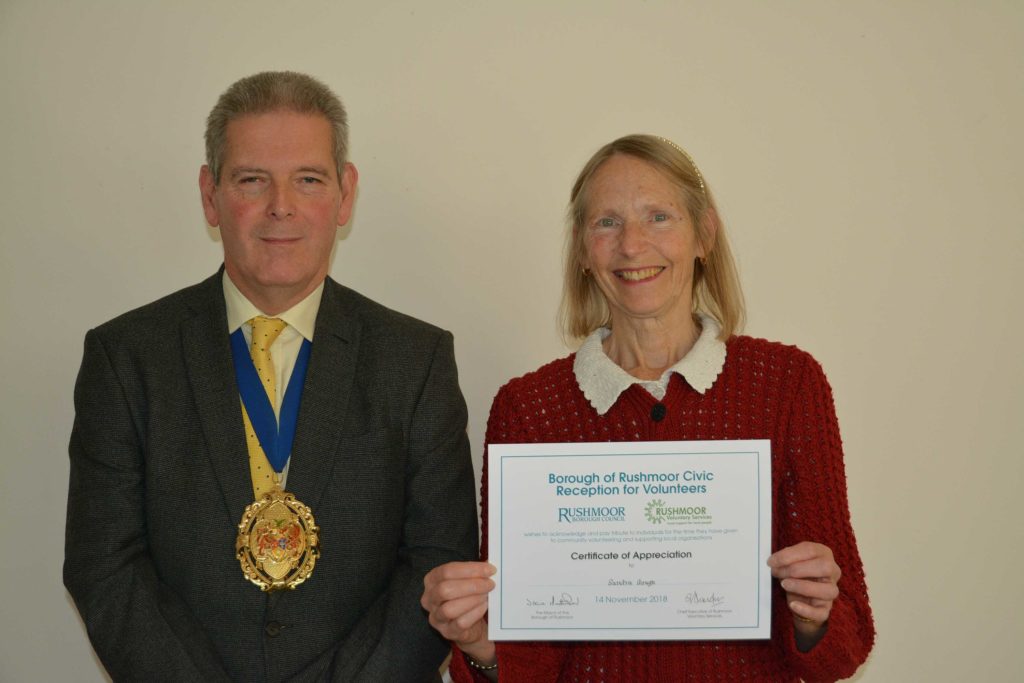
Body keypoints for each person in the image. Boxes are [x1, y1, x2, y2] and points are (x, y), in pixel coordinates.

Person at [64, 71, 479, 682]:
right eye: (252, 179)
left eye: (308, 179)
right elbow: (105, 566)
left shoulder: (416, 361)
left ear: (345, 194)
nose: (281, 205)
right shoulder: (126, 357)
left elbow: (437, 565)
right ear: (210, 195)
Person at [421, 134, 874, 681]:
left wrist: (813, 613)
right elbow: (529, 657)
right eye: (607, 222)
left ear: (704, 234)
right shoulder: (528, 409)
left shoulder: (787, 384)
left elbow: (845, 649)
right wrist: (479, 642)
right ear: (582, 250)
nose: (632, 245)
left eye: (658, 217)